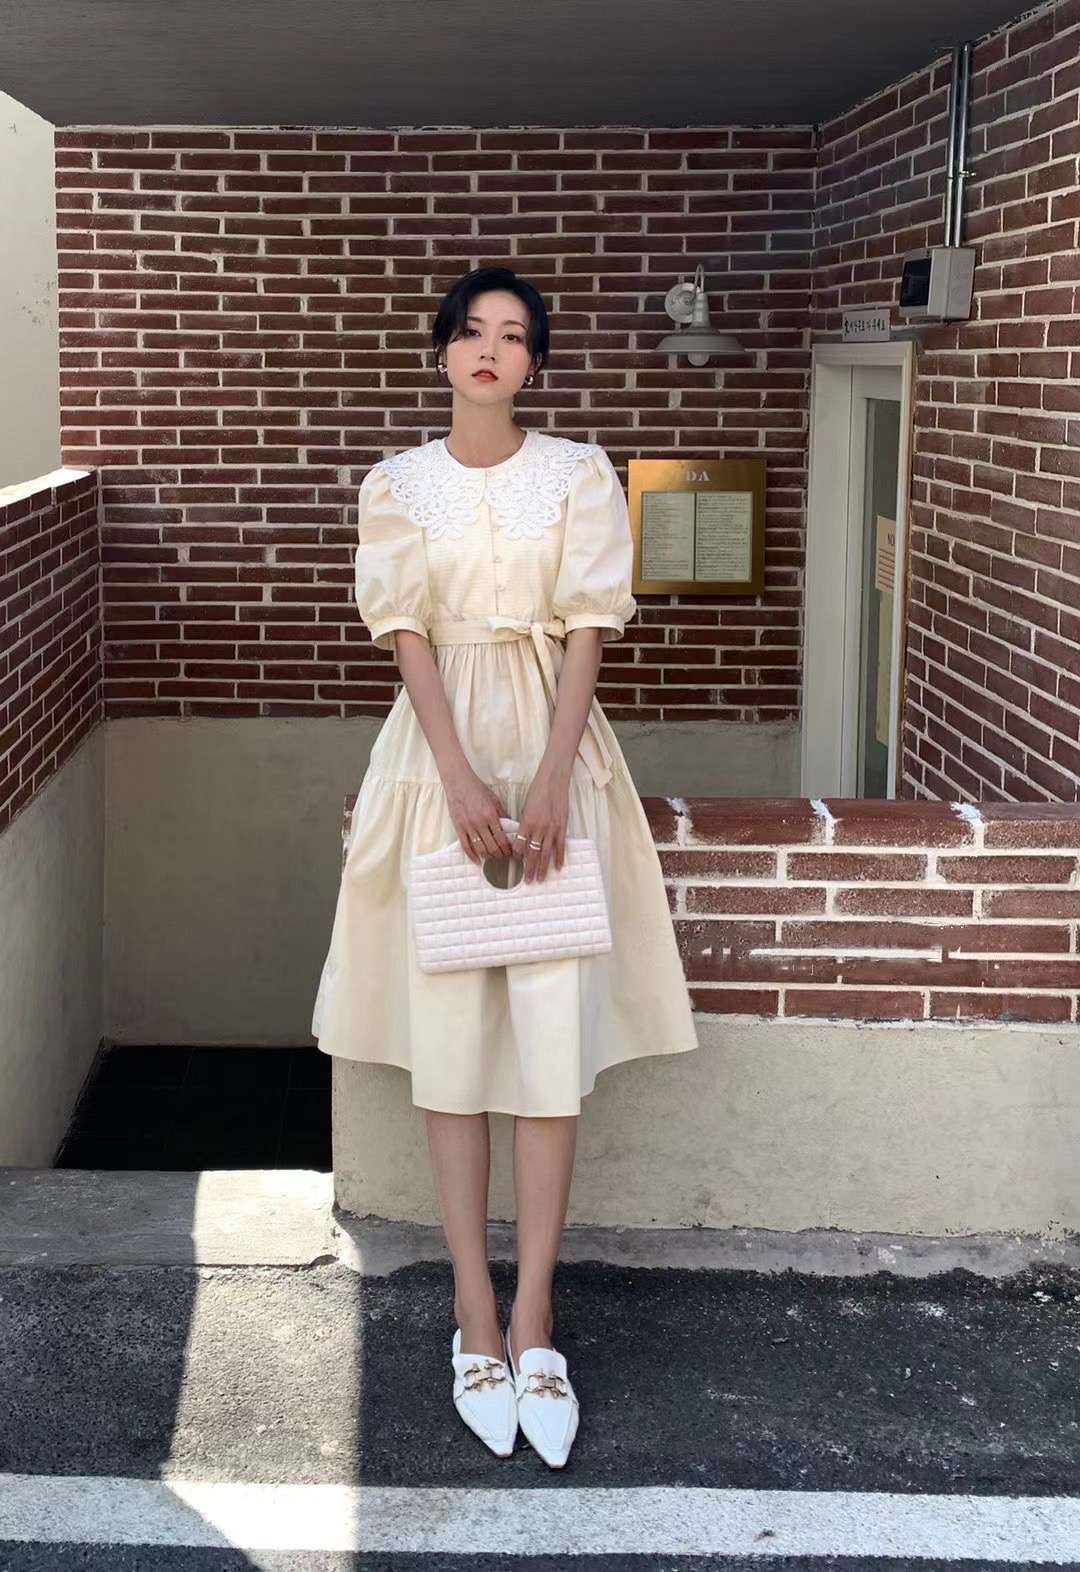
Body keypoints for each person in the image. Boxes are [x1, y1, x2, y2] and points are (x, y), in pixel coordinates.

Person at [310, 265, 699, 1467]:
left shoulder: (579, 472)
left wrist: (549, 775)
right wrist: (462, 779)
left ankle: (535, 1320)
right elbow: (405, 635)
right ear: (442, 351)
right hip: (435, 762)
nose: (490, 349)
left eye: (514, 334)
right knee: (450, 1047)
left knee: (546, 1051)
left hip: (554, 749)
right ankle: (472, 1316)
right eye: (472, 330)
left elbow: (587, 630)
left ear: (536, 361)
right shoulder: (397, 483)